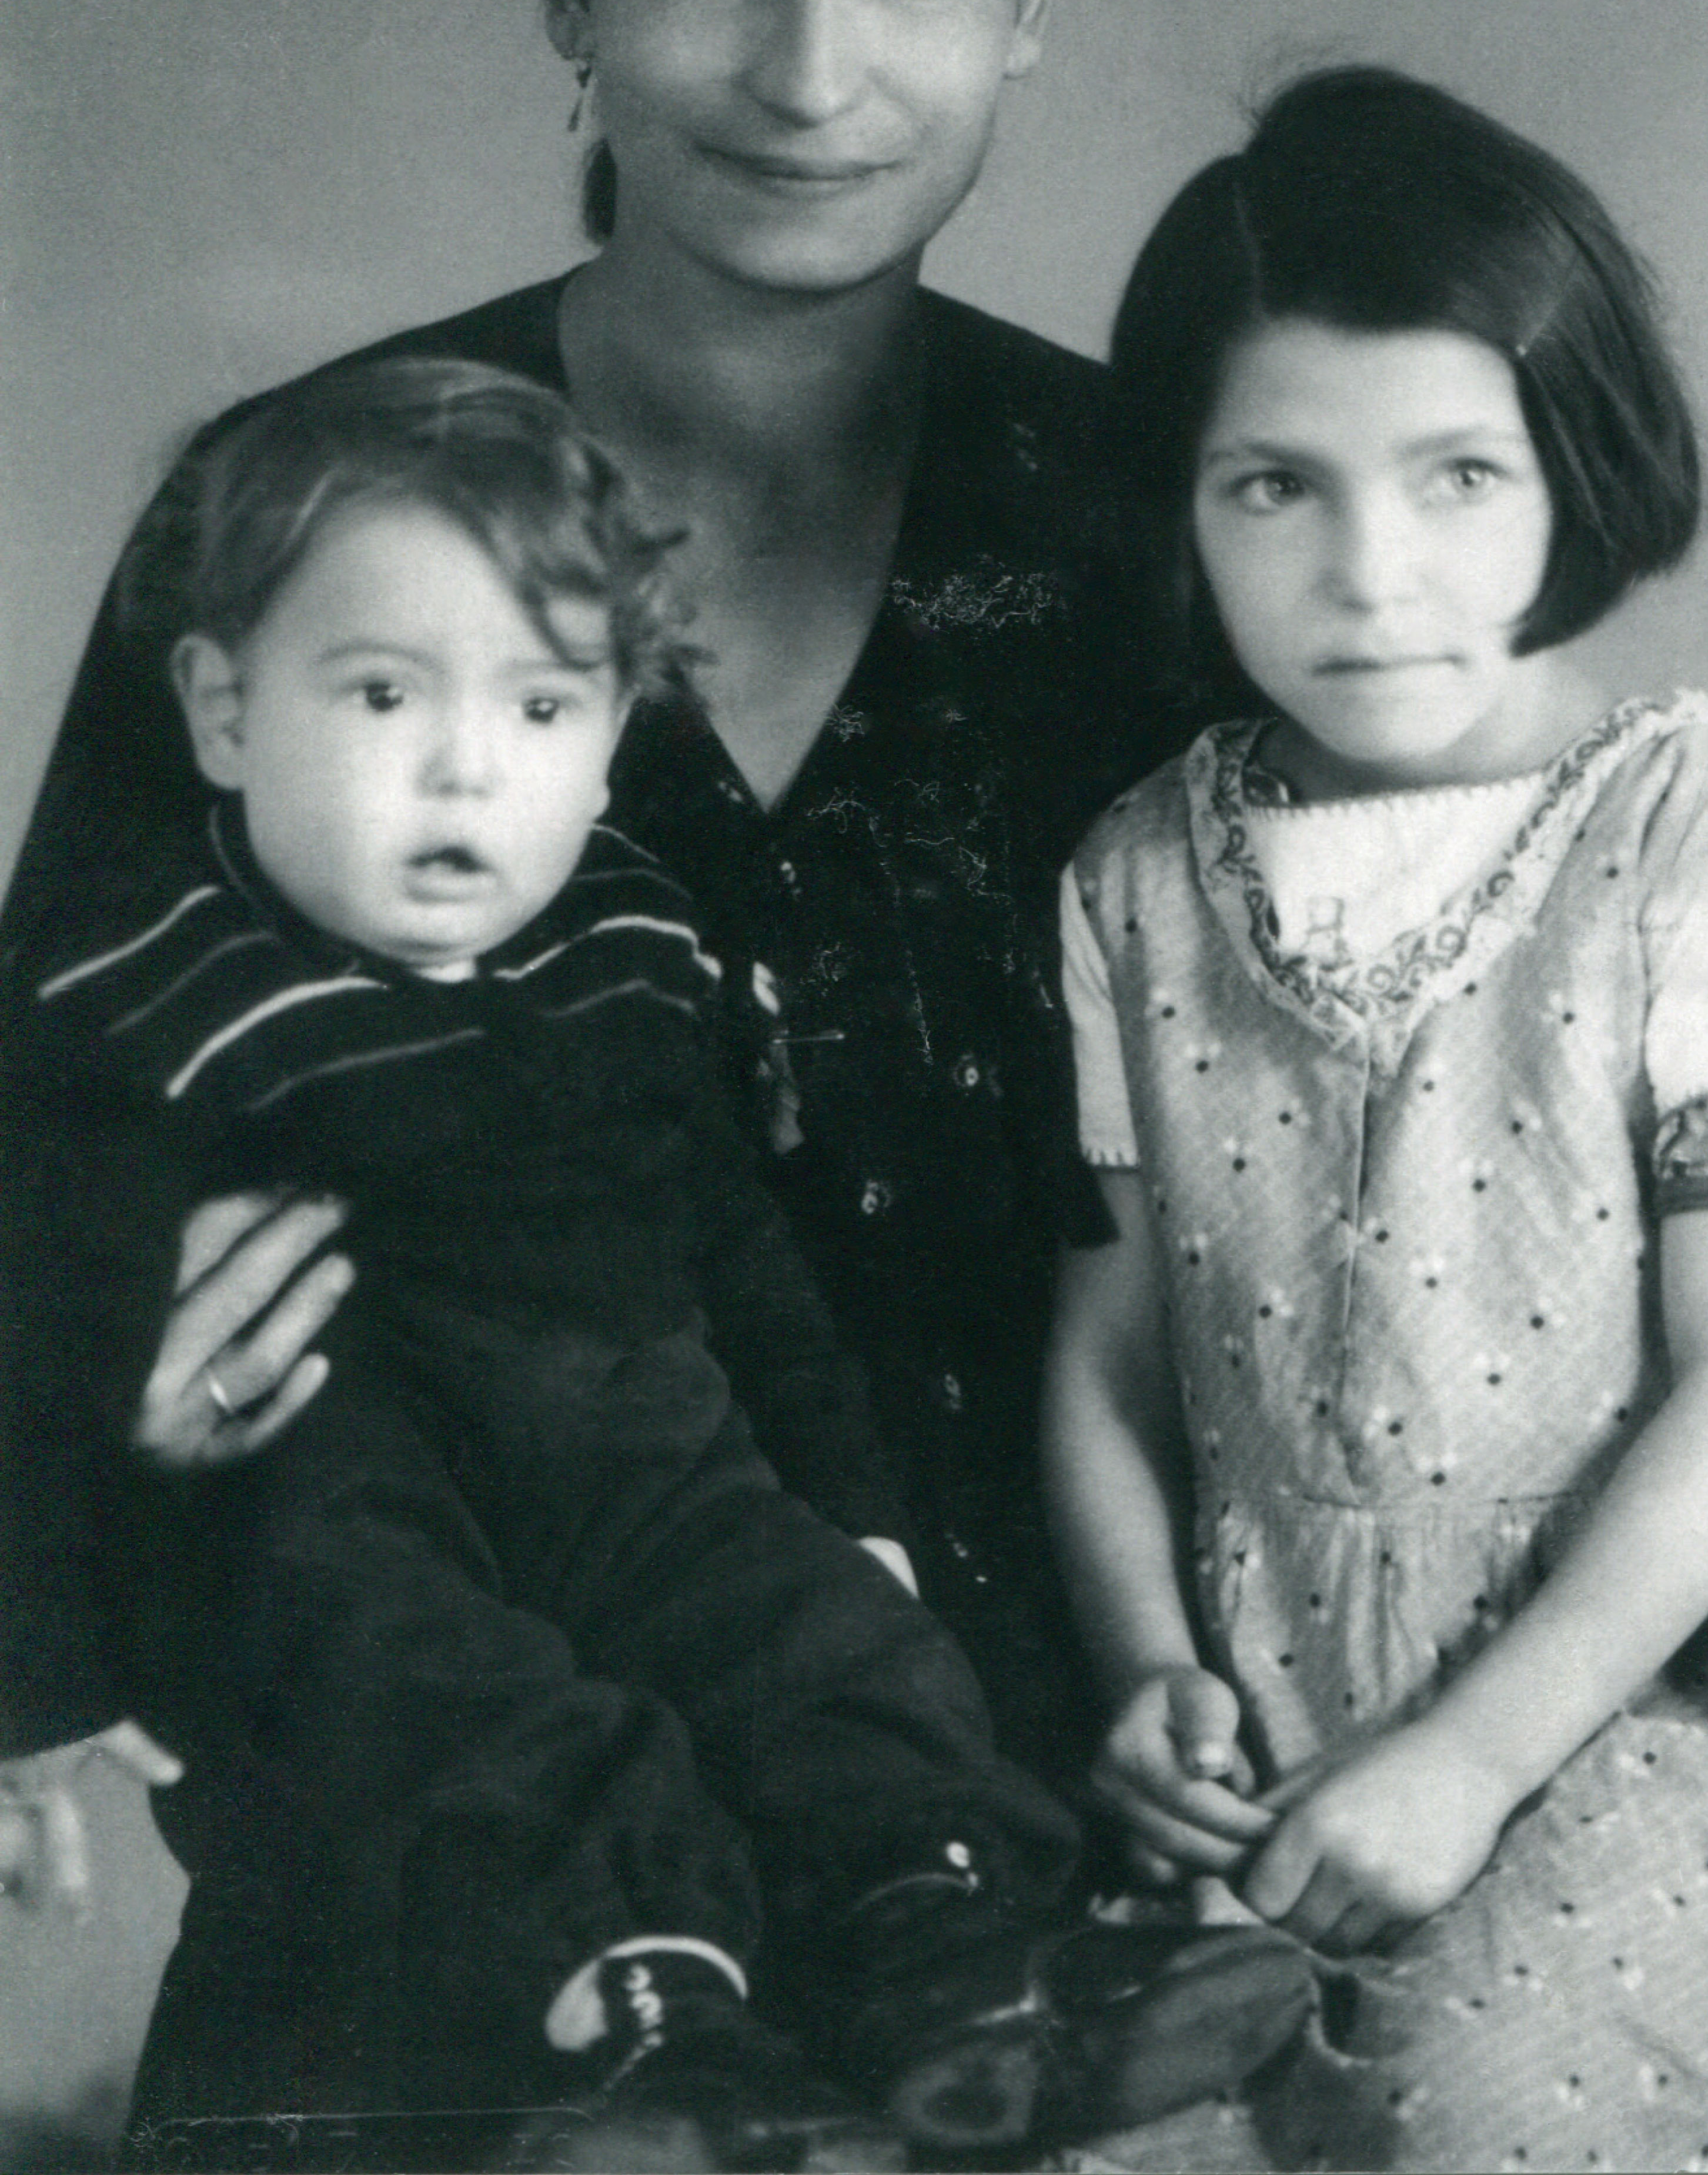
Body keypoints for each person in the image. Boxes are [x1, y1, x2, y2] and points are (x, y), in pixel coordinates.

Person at [0, 0, 1173, 1820]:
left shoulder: (1159, 523)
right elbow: (38, 1151)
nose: (811, 79)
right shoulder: (293, 514)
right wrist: (101, 1415)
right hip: (450, 1819)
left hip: (1090, 1797)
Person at [11, 358, 1311, 2167]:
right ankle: (659, 2053)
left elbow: (733, 1245)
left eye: (543, 705)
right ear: (224, 712)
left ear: (615, 729)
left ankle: (956, 1969)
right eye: (382, 692)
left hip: (647, 1459)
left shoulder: (629, 940)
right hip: (355, 1499)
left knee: (845, 1657)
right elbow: (32, 1351)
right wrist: (37, 1692)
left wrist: (849, 1505)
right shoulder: (143, 994)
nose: (466, 762)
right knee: (468, 1722)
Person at [1044, 66, 1708, 2171]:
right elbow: (1107, 1357)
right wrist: (1145, 1669)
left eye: (1456, 476)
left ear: (1572, 471)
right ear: (1183, 503)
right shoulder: (1132, 874)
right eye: (1272, 488)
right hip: (1261, 1706)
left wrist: (1472, 1760)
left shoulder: (1706, 832)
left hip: (1603, 1718)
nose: (1369, 570)